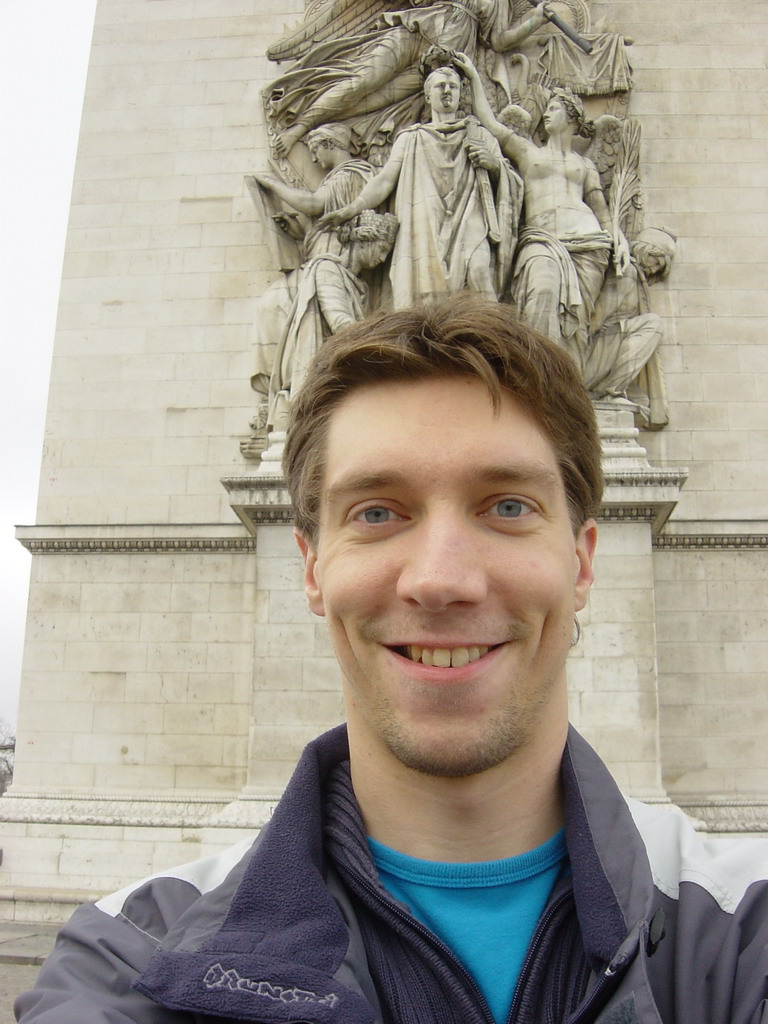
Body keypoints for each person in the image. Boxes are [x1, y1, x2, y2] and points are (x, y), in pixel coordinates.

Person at [16, 296, 768, 1024]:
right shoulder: (129, 957)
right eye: (377, 513)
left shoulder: (751, 930)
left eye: (507, 506)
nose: (440, 579)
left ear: (581, 558)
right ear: (310, 567)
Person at [456, 52, 630, 369]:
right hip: (541, 240)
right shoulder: (527, 152)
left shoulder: (585, 164)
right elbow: (490, 123)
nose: (546, 115)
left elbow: (602, 211)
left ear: (572, 118)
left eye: (553, 109)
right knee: (542, 288)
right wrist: (472, 77)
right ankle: (535, 373)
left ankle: (566, 380)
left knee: (573, 322)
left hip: (589, 244)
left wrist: (620, 240)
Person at [321, 60, 522, 307]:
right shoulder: (410, 137)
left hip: (469, 213)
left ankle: (495, 341)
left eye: (453, 86)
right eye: (440, 86)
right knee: (426, 291)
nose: (447, 91)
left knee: (480, 271)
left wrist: (493, 165)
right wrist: (353, 208)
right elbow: (384, 181)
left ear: (461, 94)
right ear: (428, 95)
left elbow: (511, 183)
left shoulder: (480, 134)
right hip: (425, 219)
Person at [265, 0, 550, 156]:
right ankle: (298, 129)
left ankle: (326, 126)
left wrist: (536, 20)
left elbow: (498, 40)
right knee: (362, 82)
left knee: (373, 102)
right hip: (413, 33)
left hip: (441, 63)